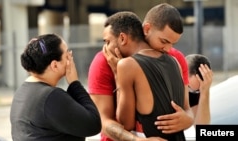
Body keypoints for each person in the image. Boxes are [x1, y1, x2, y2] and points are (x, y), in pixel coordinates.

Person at [102, 3, 194, 135]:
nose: (168, 49)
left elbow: (125, 124)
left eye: (171, 44)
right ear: (146, 29)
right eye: (163, 41)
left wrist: (118, 74)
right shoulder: (174, 62)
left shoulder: (126, 65)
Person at [88, 11, 168, 141]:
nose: (105, 48)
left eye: (108, 41)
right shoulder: (103, 62)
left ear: (122, 38)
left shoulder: (166, 58)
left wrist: (185, 117)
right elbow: (103, 121)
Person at [10, 33, 101, 141]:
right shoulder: (50, 97)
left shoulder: (22, 91)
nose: (70, 58)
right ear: (55, 65)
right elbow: (93, 124)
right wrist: (74, 83)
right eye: (67, 54)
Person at [186, 54, 212, 124]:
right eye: (189, 88)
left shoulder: (195, 90)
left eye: (196, 91)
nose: (190, 92)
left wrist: (205, 92)